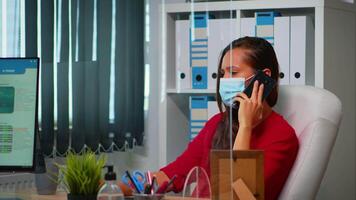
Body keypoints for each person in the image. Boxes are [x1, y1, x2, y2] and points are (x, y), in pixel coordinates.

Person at [152, 36, 299, 200]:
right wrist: (126, 187)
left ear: (263, 77)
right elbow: (173, 174)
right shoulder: (218, 122)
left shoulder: (282, 136)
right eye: (222, 73)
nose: (224, 80)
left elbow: (237, 195)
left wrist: (245, 127)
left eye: (233, 72)